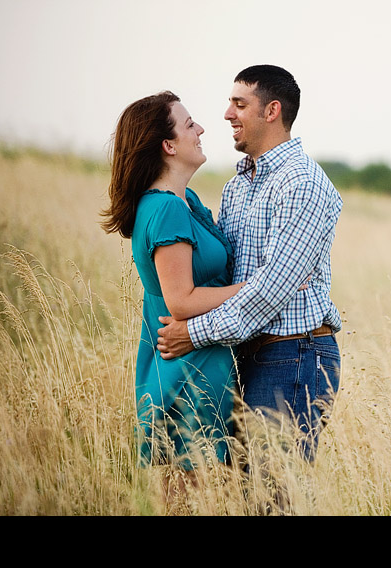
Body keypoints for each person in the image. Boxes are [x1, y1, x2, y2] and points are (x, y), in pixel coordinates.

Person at [156, 65, 343, 462]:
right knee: (241, 493)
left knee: (273, 496)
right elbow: (231, 276)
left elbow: (270, 292)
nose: (226, 114)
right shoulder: (238, 185)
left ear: (272, 111)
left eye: (239, 104)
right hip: (242, 354)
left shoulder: (302, 183)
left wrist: (194, 333)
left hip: (291, 355)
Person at [101, 91, 244, 483]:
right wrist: (257, 288)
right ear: (168, 145)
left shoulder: (186, 201)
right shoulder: (164, 209)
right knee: (191, 498)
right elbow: (181, 301)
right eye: (188, 124)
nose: (200, 129)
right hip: (186, 373)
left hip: (201, 367)